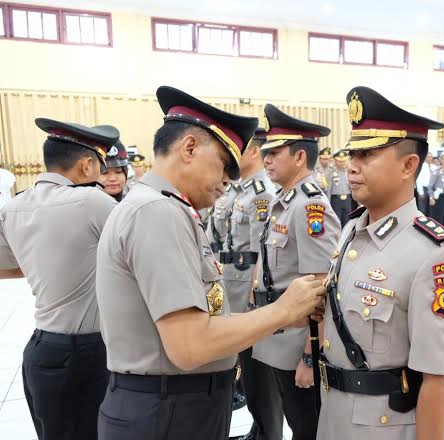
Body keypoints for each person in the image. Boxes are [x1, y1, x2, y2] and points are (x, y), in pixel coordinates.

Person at [95, 86, 326, 440]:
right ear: (189, 148)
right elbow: (190, 345)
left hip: (172, 406)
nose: (228, 181)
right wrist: (283, 310)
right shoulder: (156, 212)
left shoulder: (160, 206)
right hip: (168, 413)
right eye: (223, 165)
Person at [316, 85, 444, 440]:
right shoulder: (352, 229)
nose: (352, 167)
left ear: (408, 165)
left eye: (367, 155)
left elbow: (438, 379)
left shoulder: (435, 255)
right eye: (352, 154)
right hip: (332, 413)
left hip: (381, 427)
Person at [0, 118, 119, 440]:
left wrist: (47, 266)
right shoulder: (93, 202)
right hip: (89, 352)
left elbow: (5, 266)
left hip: (42, 349)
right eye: (100, 167)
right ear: (86, 164)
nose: (103, 176)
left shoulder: (13, 206)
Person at [251, 104, 340, 440]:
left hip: (296, 345)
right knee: (294, 419)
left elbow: (320, 287)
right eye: (265, 152)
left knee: (307, 427)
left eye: (275, 152)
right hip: (277, 335)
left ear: (300, 156)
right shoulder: (283, 201)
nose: (266, 158)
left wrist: (308, 355)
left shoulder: (309, 206)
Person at [219, 128, 284, 440]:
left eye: (239, 149)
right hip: (234, 289)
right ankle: (259, 429)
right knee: (248, 369)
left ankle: (269, 433)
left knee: (259, 374)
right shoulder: (242, 189)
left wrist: (252, 298)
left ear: (254, 152)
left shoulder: (261, 192)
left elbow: (263, 250)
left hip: (247, 293)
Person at [328, 150, 352, 226]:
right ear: (335, 161)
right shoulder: (331, 172)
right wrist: (328, 203)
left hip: (347, 199)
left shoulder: (349, 172)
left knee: (348, 220)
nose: (342, 163)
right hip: (336, 200)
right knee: (336, 221)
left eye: (344, 161)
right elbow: (329, 189)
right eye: (339, 161)